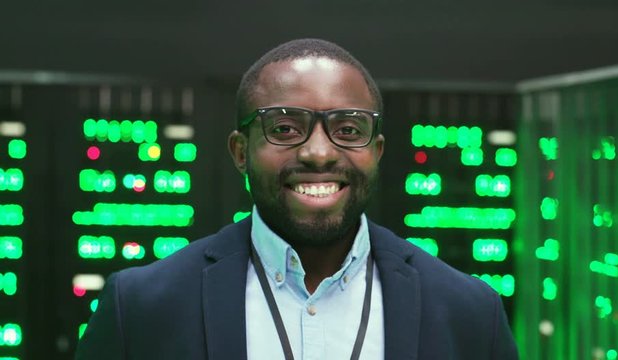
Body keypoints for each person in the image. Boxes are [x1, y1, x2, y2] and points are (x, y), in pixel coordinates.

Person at [76, 38, 518, 360]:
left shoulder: (470, 313)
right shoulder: (139, 307)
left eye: (348, 130)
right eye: (284, 128)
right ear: (240, 152)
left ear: (377, 152)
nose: (319, 152)